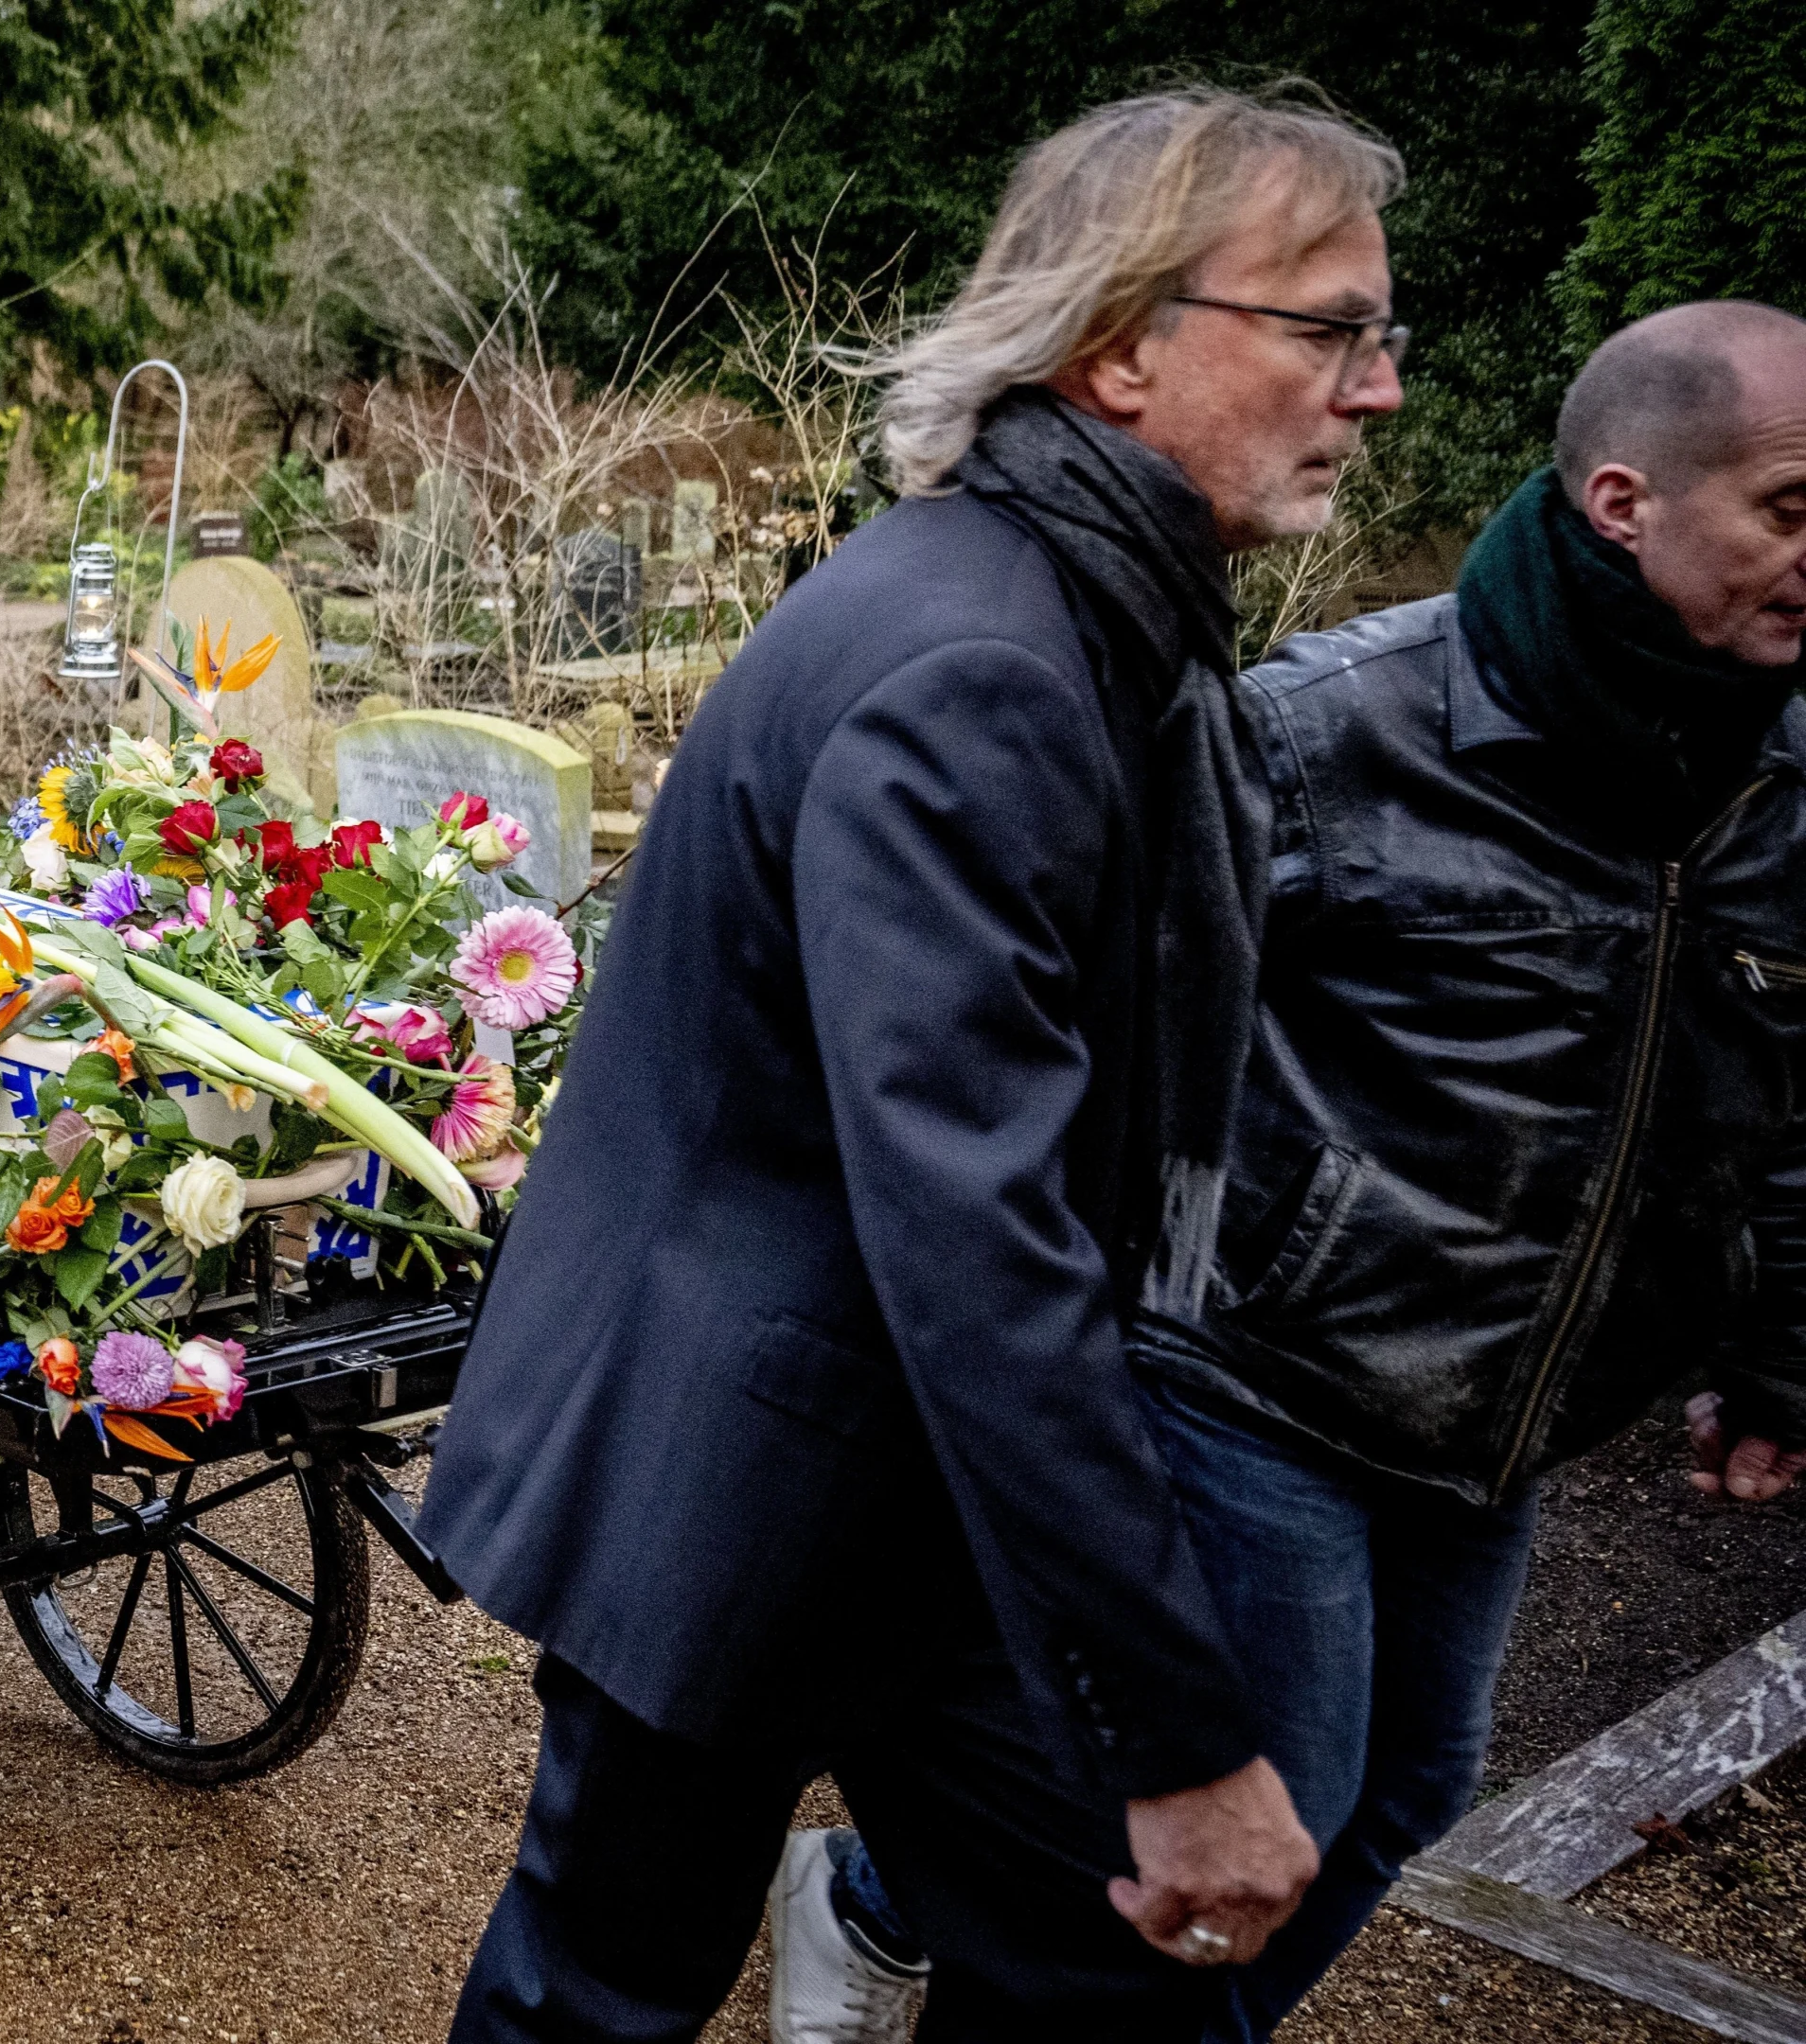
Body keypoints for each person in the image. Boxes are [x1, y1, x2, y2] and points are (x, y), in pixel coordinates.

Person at [417, 89, 1408, 2041]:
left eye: (1384, 333)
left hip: (900, 1481)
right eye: (1331, 329)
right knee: (598, 1991)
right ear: (1122, 346)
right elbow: (982, 1239)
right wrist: (1182, 1730)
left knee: (1095, 1975)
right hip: (744, 1466)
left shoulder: (1089, 613)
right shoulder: (980, 666)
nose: (1376, 389)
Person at [789, 302, 1806, 2044]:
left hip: (1503, 1411)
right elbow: (1085, 1035)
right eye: (1793, 507)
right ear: (1628, 503)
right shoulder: (1337, 727)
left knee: (1404, 1792)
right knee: (1269, 1805)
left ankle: (879, 1899)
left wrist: (1772, 1335)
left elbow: (1777, 1074)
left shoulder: (1783, 774)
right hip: (1256, 1375)